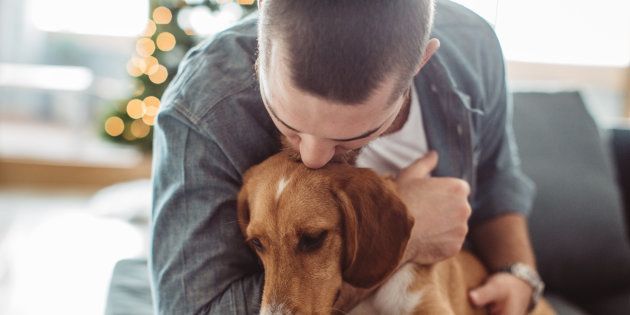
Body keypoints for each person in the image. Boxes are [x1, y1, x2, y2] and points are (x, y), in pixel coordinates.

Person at [150, 0, 543, 314]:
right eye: (290, 124)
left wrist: (520, 275)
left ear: (418, 66)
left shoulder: (473, 44)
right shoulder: (201, 109)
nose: (314, 158)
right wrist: (407, 234)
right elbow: (193, 308)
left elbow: (496, 178)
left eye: (351, 137)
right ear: (261, 52)